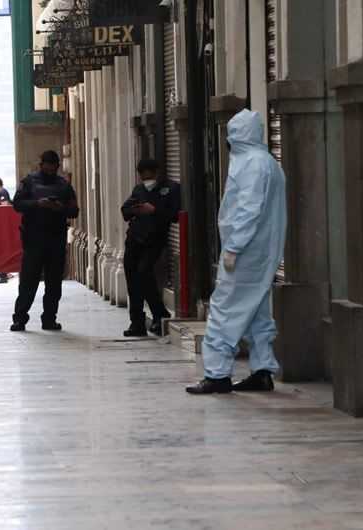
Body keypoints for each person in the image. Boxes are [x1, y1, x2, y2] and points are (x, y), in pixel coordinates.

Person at [186, 109, 287, 395]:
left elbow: (247, 209)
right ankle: (262, 370)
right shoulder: (268, 162)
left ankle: (217, 374)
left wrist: (234, 247)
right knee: (256, 309)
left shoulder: (251, 163)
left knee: (224, 309)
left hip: (246, 252)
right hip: (262, 251)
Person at [10, 150, 79, 331]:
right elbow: (17, 204)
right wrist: (37, 204)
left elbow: (74, 210)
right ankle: (20, 318)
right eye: (46, 170)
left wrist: (61, 208)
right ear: (41, 166)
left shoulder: (64, 185)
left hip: (56, 239)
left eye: (52, 170)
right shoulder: (29, 182)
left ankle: (49, 318)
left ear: (57, 167)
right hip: (34, 238)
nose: (49, 173)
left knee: (54, 282)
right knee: (28, 280)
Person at [120, 159, 181, 337]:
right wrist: (135, 210)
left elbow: (176, 215)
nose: (147, 182)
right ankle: (137, 322)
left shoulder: (171, 188)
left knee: (144, 272)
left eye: (149, 178)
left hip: (155, 239)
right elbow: (125, 210)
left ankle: (159, 313)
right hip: (134, 238)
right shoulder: (139, 190)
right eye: (143, 178)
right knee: (133, 279)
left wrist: (154, 210)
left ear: (158, 173)